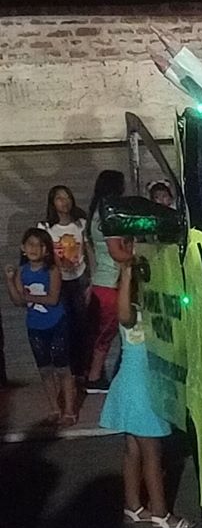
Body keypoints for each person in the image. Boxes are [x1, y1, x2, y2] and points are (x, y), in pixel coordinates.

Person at [100, 253, 192, 528]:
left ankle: (133, 506)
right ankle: (161, 514)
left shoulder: (154, 309)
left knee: (133, 450)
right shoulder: (132, 312)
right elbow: (123, 315)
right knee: (152, 453)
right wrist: (128, 272)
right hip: (141, 388)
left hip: (132, 385)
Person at [4, 228, 77, 426]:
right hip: (35, 326)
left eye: (40, 245)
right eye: (30, 244)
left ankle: (69, 410)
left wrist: (26, 296)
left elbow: (52, 299)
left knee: (63, 368)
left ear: (46, 250)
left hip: (56, 323)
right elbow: (17, 301)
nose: (34, 248)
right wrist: (10, 281)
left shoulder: (52, 270)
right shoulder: (22, 271)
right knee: (44, 369)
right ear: (23, 247)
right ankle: (54, 408)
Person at [38, 185, 90, 381]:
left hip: (79, 278)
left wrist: (91, 279)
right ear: (52, 203)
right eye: (59, 198)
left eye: (67, 197)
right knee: (62, 325)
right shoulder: (45, 227)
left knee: (80, 325)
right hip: (58, 280)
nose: (64, 202)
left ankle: (80, 371)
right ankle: (64, 371)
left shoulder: (80, 224)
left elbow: (88, 251)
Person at [85, 170, 127, 394]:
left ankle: (95, 375)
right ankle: (94, 377)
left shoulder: (94, 214)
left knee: (101, 332)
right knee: (106, 334)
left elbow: (92, 251)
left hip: (100, 281)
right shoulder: (109, 215)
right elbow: (117, 252)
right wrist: (137, 259)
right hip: (111, 282)